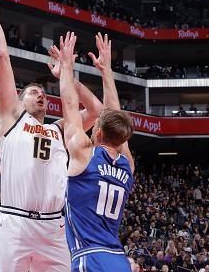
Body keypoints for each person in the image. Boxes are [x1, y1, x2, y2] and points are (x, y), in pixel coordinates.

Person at [0, 0, 102, 272]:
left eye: (43, 92)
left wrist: (67, 73)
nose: (41, 94)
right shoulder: (11, 118)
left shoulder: (59, 129)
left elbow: (97, 111)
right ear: (18, 99)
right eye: (33, 91)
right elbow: (1, 57)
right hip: (14, 222)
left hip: (53, 226)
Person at [58, 32, 135, 271]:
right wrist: (106, 70)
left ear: (98, 130)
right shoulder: (127, 164)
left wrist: (66, 68)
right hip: (118, 259)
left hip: (90, 257)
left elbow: (70, 107)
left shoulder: (84, 153)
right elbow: (115, 114)